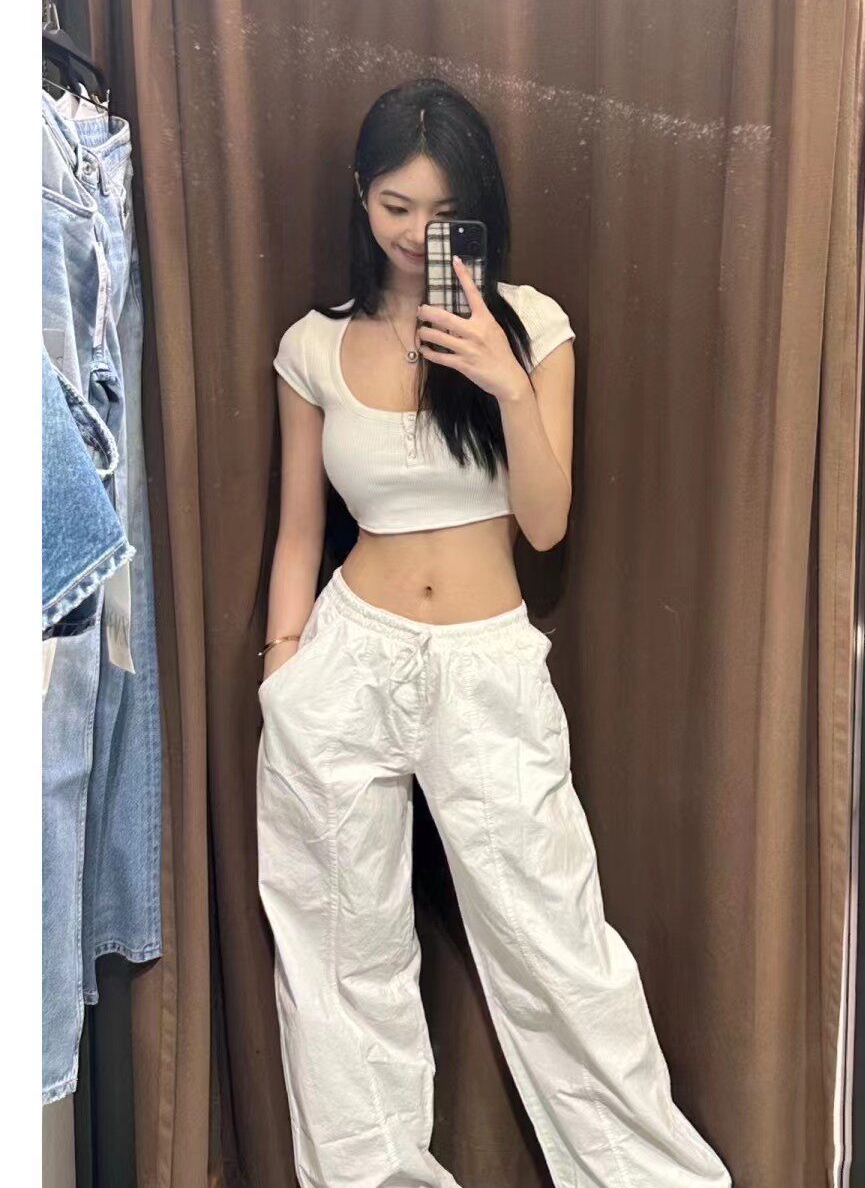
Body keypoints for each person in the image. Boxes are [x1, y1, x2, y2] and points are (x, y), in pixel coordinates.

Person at [256, 76, 733, 1187]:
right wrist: (282, 673)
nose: (416, 232)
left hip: (485, 669)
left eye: (442, 211)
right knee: (340, 960)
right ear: (360, 195)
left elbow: (546, 524)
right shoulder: (313, 347)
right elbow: (297, 533)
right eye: (395, 206)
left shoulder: (535, 327)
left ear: (478, 209)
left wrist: (507, 385)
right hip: (345, 662)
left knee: (559, 954)